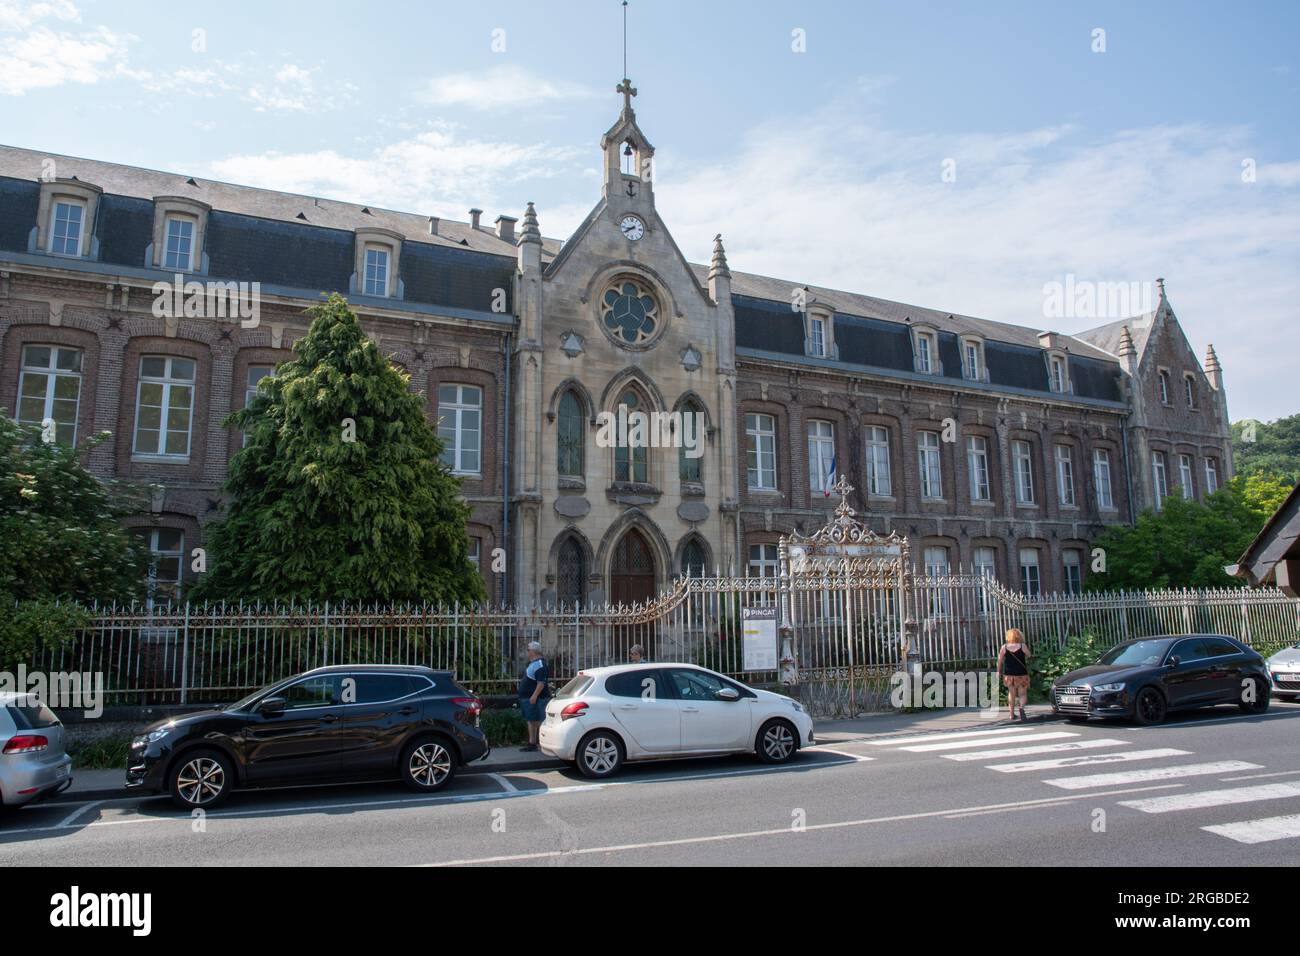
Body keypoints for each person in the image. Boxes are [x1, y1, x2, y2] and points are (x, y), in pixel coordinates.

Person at [517, 641, 551, 751]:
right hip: (529, 698)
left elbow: (541, 683)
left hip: (536, 699)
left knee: (537, 721)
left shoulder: (540, 665)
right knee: (531, 720)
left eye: (528, 650)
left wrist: (534, 696)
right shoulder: (534, 663)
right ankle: (532, 743)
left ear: (533, 651)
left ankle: (542, 743)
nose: (527, 652)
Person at [997, 628, 1031, 721]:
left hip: (1009, 674)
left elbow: (999, 660)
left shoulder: (1004, 647)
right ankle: (1021, 708)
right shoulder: (1022, 646)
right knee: (1022, 694)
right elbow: (1029, 655)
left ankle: (1011, 715)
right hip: (1021, 674)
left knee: (1011, 694)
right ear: (1019, 636)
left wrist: (998, 671)